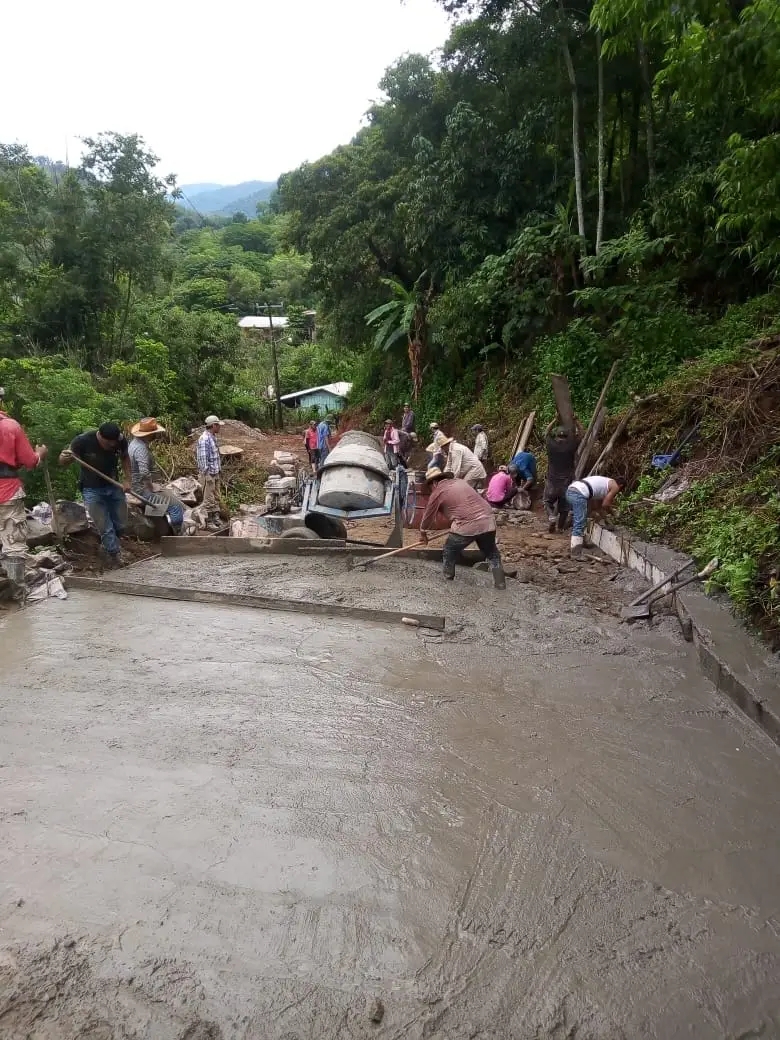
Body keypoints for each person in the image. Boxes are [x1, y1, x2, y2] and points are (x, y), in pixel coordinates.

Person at [419, 466, 506, 589]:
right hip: (488, 521)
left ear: (433, 482)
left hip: (467, 525)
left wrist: (423, 532)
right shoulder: (460, 482)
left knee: (449, 550)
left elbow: (428, 515)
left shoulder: (437, 492)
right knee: (492, 553)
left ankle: (448, 580)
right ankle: (500, 583)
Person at [61, 422, 131, 566]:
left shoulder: (120, 440)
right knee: (104, 525)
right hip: (91, 489)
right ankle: (113, 555)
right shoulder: (82, 441)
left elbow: (125, 458)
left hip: (114, 485)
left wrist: (127, 480)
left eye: (114, 444)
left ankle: (109, 548)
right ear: (100, 436)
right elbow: (63, 461)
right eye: (109, 444)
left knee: (121, 524)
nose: (112, 446)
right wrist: (64, 458)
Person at [0, 408, 47, 557]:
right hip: (6, 491)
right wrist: (40, 454)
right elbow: (30, 461)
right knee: (14, 545)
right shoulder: (9, 426)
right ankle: (15, 580)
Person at [128, 417, 184, 535]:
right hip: (142, 490)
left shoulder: (133, 443)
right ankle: (177, 535)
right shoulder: (141, 449)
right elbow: (144, 472)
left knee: (168, 498)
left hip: (136, 485)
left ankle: (164, 530)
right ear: (150, 434)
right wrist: (151, 487)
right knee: (176, 507)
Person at [565, 474, 626, 558]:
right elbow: (605, 505)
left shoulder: (605, 483)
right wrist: (614, 514)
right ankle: (576, 553)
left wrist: (607, 521)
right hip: (578, 493)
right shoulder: (615, 486)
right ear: (621, 486)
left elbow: (598, 507)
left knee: (583, 517)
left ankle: (582, 542)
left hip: (572, 490)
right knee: (580, 522)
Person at [544, 419, 583, 533]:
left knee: (547, 501)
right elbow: (581, 434)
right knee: (564, 508)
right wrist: (576, 421)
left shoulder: (551, 445)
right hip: (566, 482)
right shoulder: (571, 446)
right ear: (567, 436)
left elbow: (546, 432)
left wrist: (554, 420)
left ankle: (551, 517)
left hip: (552, 481)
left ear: (556, 436)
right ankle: (560, 528)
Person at [196, 415, 224, 530]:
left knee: (216, 497)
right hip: (208, 474)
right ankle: (208, 522)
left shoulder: (213, 437)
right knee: (208, 499)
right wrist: (206, 475)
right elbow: (203, 459)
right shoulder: (204, 439)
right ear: (213, 425)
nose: (220, 428)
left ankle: (216, 518)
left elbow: (215, 456)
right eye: (218, 425)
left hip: (215, 472)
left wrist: (218, 472)